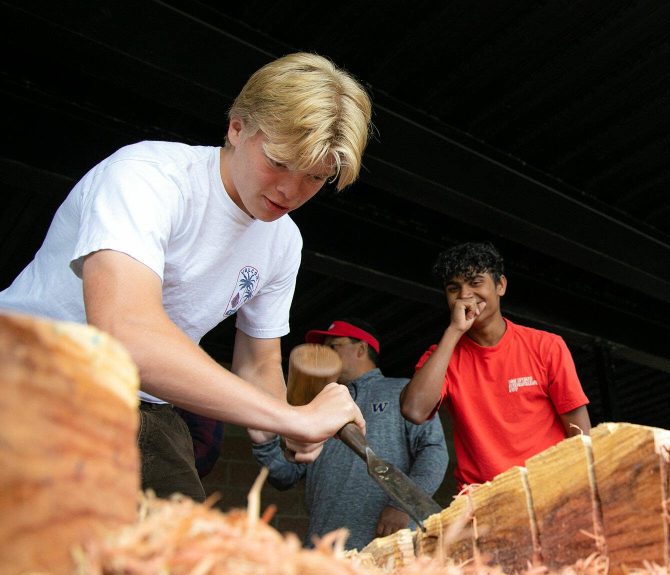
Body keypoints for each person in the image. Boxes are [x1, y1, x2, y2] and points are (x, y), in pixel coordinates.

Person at [0, 53, 372, 501]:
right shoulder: (147, 177)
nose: (290, 192)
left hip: (142, 404)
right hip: (28, 367)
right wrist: (292, 419)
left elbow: (257, 363)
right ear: (237, 127)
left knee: (183, 554)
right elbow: (127, 334)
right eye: (278, 162)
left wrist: (288, 422)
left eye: (315, 177)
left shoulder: (283, 242)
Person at [401, 242, 591, 488]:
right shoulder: (442, 356)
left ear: (500, 285)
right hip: (482, 502)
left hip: (548, 488)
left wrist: (582, 487)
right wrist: (454, 330)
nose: (465, 295)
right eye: (453, 288)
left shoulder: (546, 346)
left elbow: (579, 430)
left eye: (476, 282)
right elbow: (414, 410)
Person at [252, 319, 448, 549]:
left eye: (333, 346)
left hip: (386, 549)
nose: (325, 354)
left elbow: (434, 451)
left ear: (362, 349)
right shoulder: (319, 405)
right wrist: (263, 441)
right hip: (323, 548)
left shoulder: (403, 392)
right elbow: (285, 475)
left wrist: (403, 504)